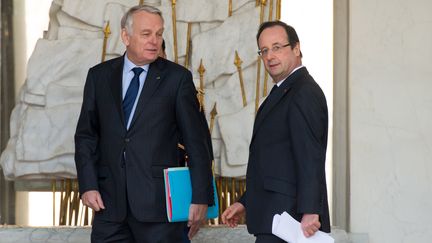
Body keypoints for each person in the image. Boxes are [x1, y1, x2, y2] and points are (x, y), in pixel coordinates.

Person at [74, 5, 214, 242]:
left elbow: (197, 142)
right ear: (125, 37)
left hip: (159, 209)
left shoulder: (177, 79)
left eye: (159, 34)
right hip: (109, 207)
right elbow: (87, 135)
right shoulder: (99, 76)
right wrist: (88, 185)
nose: (155, 41)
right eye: (146, 34)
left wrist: (201, 197)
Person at [221, 21, 330, 242]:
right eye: (264, 50)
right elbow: (275, 162)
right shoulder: (284, 91)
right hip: (275, 217)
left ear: (296, 49)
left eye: (277, 47)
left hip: (291, 221)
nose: (270, 56)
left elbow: (310, 156)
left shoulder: (303, 92)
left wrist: (310, 211)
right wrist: (245, 201)